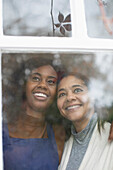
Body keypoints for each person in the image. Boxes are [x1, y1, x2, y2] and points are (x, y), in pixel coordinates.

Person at [2, 57, 65, 170]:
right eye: (36, 78)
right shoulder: (3, 130)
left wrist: (107, 125)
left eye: (50, 82)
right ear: (24, 85)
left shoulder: (58, 133)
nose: (43, 85)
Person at [57, 72, 113, 170]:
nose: (69, 97)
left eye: (77, 90)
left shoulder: (110, 136)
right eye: (62, 94)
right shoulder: (62, 145)